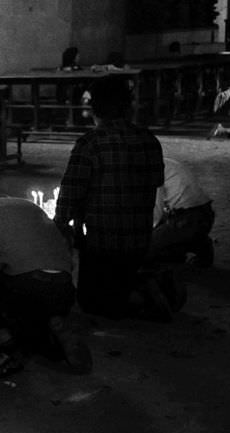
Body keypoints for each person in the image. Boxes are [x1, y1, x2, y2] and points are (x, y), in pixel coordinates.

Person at [0, 185, 92, 380]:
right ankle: (53, 320)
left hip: (25, 288)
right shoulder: (29, 207)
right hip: (63, 287)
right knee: (31, 307)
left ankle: (2, 335)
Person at [55, 75, 167, 320]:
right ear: (129, 106)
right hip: (139, 241)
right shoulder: (149, 140)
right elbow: (156, 182)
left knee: (91, 304)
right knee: (118, 285)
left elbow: (70, 193)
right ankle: (138, 287)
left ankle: (135, 296)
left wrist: (59, 226)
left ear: (94, 107)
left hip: (100, 245)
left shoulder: (90, 144)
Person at [148, 158, 215, 267]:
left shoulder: (152, 170)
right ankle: (198, 243)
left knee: (145, 248)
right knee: (163, 240)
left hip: (188, 219)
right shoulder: (165, 162)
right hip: (203, 214)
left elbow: (156, 213)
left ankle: (194, 244)